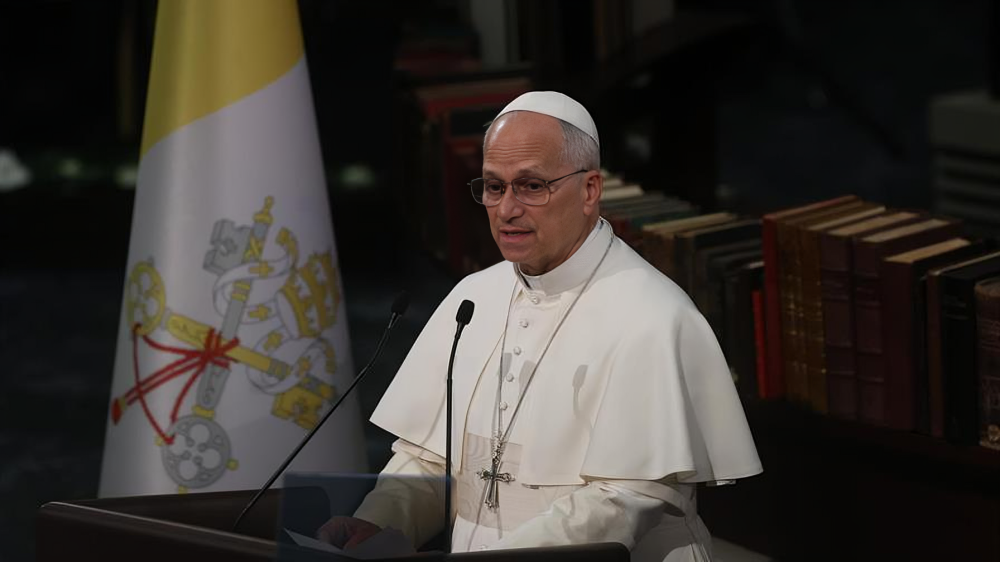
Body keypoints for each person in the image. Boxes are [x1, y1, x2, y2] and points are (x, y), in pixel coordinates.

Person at [318, 91, 762, 561]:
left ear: (590, 190)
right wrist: (377, 521)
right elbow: (431, 459)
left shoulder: (652, 317)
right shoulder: (474, 297)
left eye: (531, 186)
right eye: (494, 187)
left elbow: (620, 502)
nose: (507, 209)